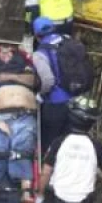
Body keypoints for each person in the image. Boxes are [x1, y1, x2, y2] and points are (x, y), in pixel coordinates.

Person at [32, 18, 94, 150]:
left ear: (37, 36)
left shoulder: (40, 54)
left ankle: (50, 167)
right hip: (77, 101)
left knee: (51, 142)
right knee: (71, 141)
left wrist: (40, 96)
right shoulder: (69, 40)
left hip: (56, 104)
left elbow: (48, 81)